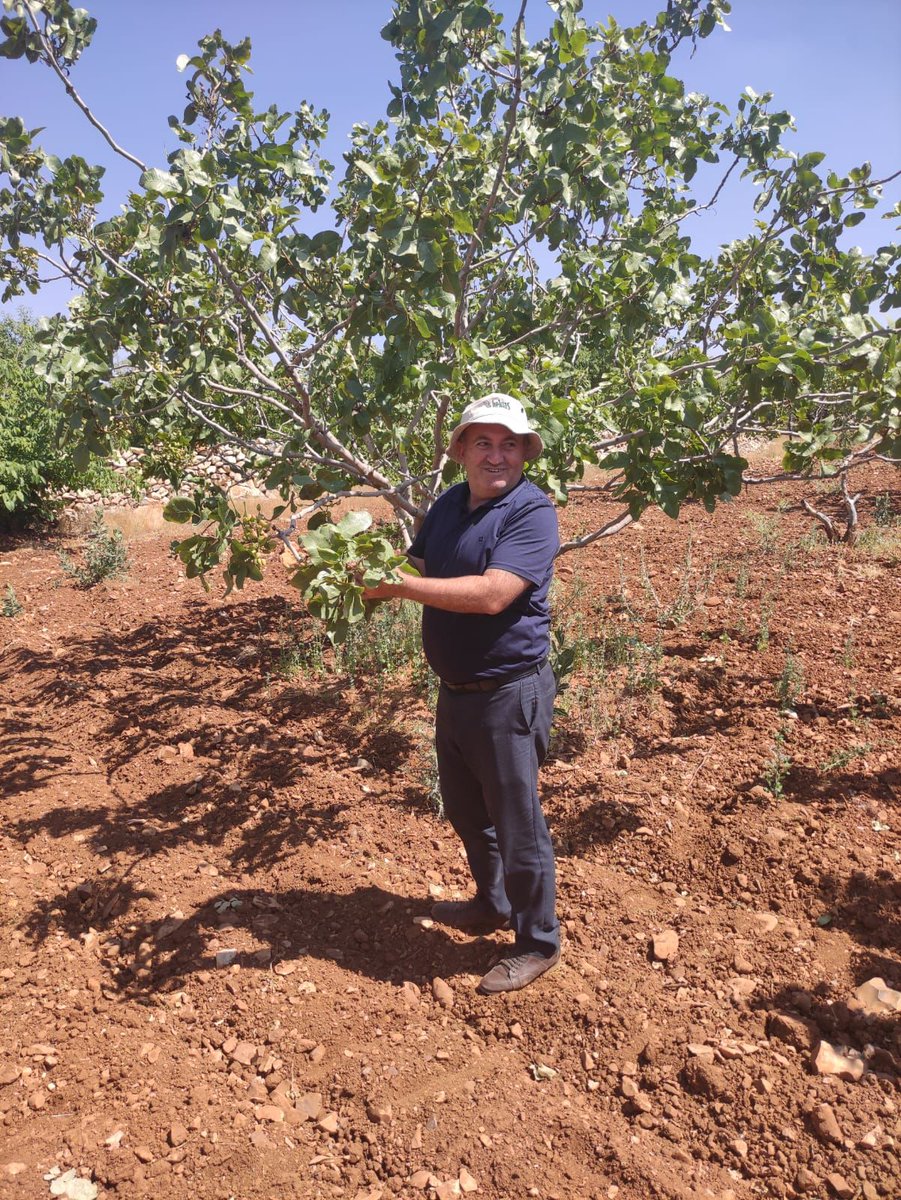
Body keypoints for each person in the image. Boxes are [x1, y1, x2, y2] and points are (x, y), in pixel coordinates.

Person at [363, 393, 560, 994]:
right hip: (455, 690)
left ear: (525, 452)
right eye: (483, 442)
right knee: (469, 812)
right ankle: (490, 903)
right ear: (461, 451)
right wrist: (362, 576)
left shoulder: (532, 512)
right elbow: (414, 563)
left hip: (510, 692)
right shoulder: (447, 505)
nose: (496, 456)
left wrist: (401, 586)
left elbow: (494, 594)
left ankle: (537, 941)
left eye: (509, 444)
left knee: (518, 822)